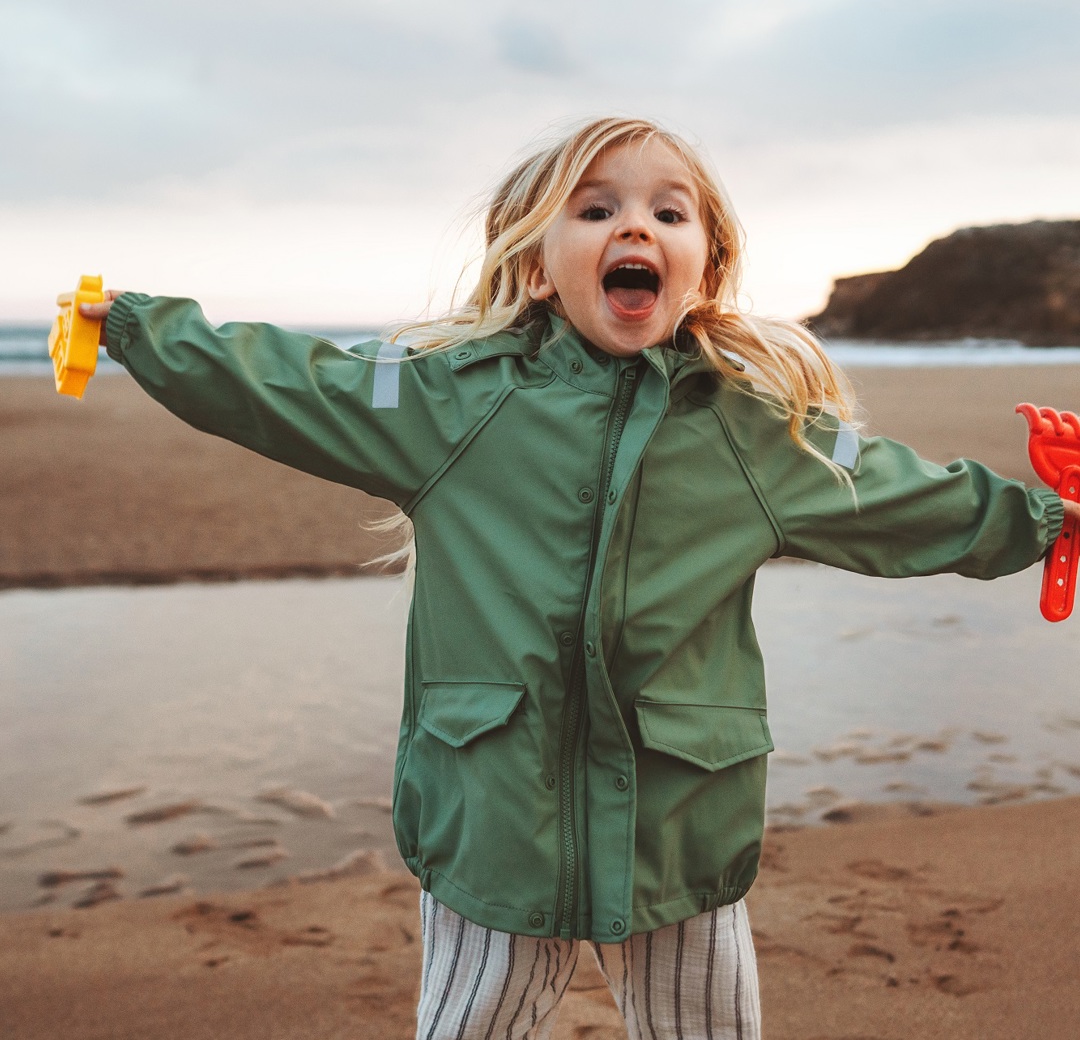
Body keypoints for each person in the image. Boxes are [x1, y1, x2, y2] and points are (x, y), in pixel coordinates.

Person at [81, 116, 1079, 1040]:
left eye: (666, 211)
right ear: (538, 265)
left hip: (677, 819)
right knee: (472, 1023)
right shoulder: (447, 404)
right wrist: (134, 325)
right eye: (595, 208)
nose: (632, 225)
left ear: (707, 267)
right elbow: (284, 381)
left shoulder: (755, 434)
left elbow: (910, 497)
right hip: (497, 807)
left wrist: (1047, 517)